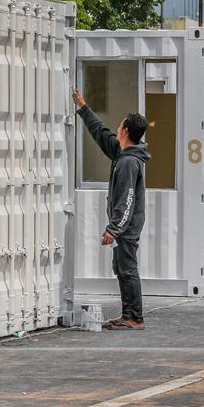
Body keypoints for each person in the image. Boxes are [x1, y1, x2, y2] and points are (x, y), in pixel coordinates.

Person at [73, 89, 150, 330]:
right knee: (122, 268)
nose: (116, 129)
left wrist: (114, 228)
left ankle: (134, 317)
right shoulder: (123, 153)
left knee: (127, 269)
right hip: (124, 226)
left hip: (125, 227)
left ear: (126, 131)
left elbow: (126, 199)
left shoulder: (128, 162)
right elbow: (102, 134)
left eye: (120, 126)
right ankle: (129, 314)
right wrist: (84, 108)